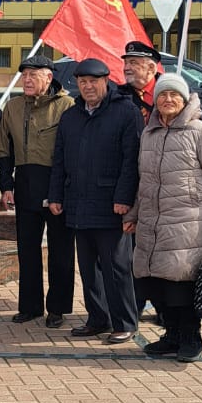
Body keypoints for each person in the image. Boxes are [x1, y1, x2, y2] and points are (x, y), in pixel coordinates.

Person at [123, 75, 202, 363]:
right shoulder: (149, 134)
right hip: (152, 222)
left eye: (174, 95)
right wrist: (133, 214)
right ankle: (172, 335)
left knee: (183, 283)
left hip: (188, 222)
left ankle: (191, 337)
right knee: (157, 283)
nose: (168, 100)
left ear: (185, 99)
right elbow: (143, 180)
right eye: (162, 95)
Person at [48, 58, 143, 345]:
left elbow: (132, 160)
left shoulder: (125, 111)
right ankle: (98, 318)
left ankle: (124, 322)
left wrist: (124, 198)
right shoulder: (71, 116)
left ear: (106, 81)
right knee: (88, 267)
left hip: (111, 203)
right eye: (82, 82)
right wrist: (55, 195)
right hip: (78, 202)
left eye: (93, 81)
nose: (88, 86)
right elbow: (59, 159)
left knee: (116, 266)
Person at [0, 54, 75, 327]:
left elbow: (71, 150)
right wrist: (6, 185)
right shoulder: (13, 107)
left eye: (33, 75)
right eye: (24, 75)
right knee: (27, 249)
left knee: (60, 251)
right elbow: (4, 148)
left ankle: (57, 309)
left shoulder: (67, 106)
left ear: (49, 77)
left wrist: (61, 190)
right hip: (26, 183)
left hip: (57, 184)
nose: (27, 80)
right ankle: (30, 306)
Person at [117, 39, 163, 323]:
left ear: (151, 68)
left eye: (134, 63)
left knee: (162, 248)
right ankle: (133, 305)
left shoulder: (168, 93)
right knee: (133, 249)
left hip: (163, 185)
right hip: (131, 182)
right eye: (126, 63)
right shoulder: (119, 96)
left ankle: (164, 307)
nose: (127, 68)